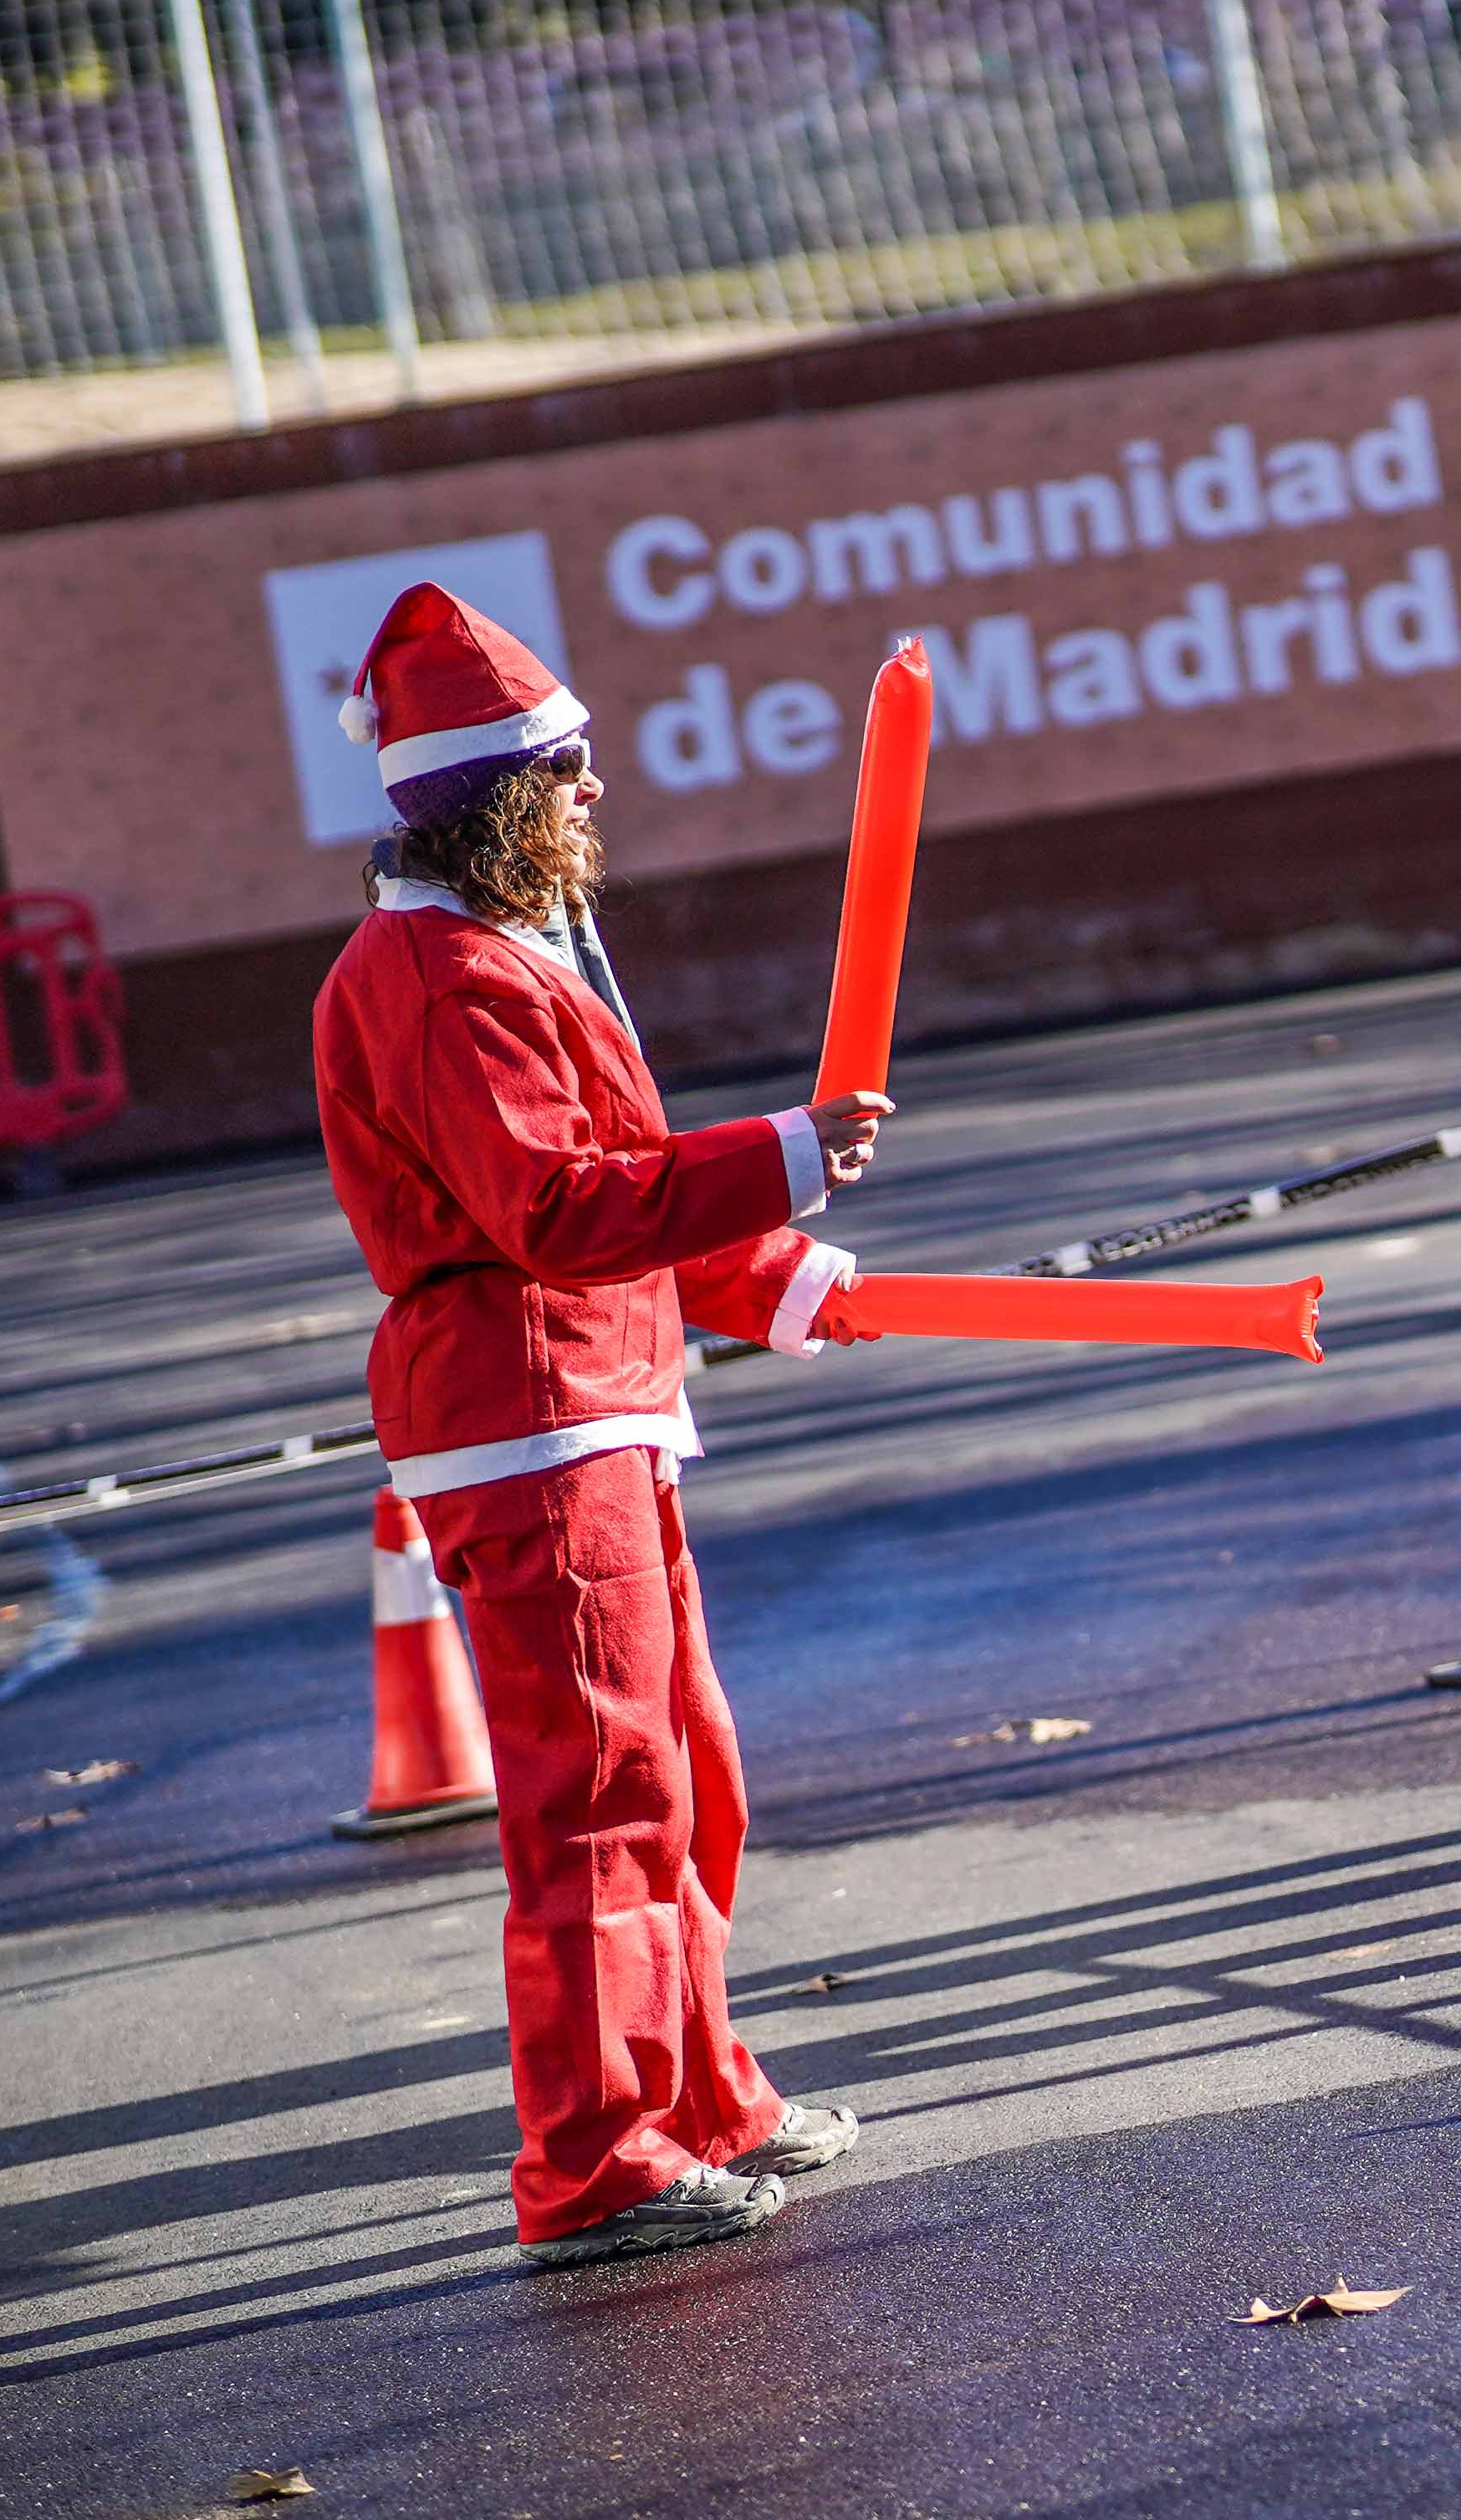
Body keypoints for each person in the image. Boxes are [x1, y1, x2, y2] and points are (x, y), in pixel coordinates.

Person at [307, 582, 888, 2268]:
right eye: (564, 772)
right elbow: (557, 1205)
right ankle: (593, 2149)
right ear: (494, 797)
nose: (592, 797)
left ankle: (697, 2095)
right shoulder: (438, 972)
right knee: (595, 1797)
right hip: (535, 1419)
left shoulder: (485, 953)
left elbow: (597, 1206)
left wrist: (777, 1271)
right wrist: (780, 1151)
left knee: (680, 1771)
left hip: (593, 1403)